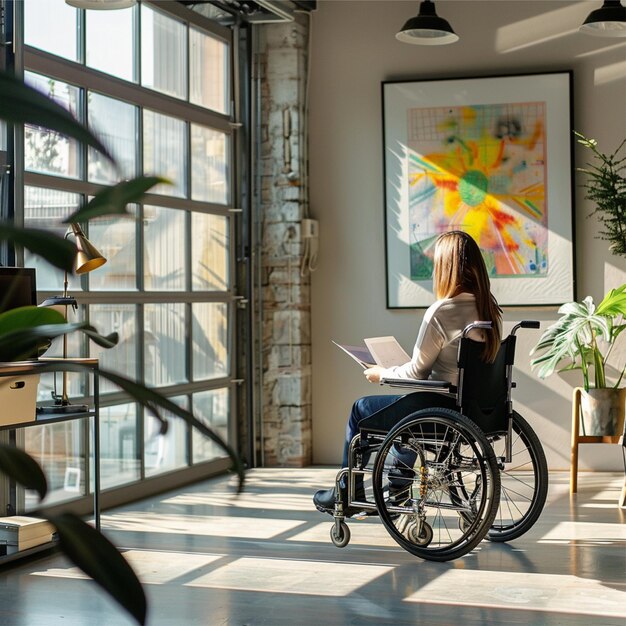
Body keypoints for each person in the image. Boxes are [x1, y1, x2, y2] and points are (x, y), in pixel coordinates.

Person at [313, 230, 502, 515]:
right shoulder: (490, 309)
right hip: (478, 412)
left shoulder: (441, 311)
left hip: (441, 411)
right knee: (409, 410)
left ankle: (347, 493)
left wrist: (381, 374)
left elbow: (417, 371)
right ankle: (399, 487)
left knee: (361, 409)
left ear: (445, 267)